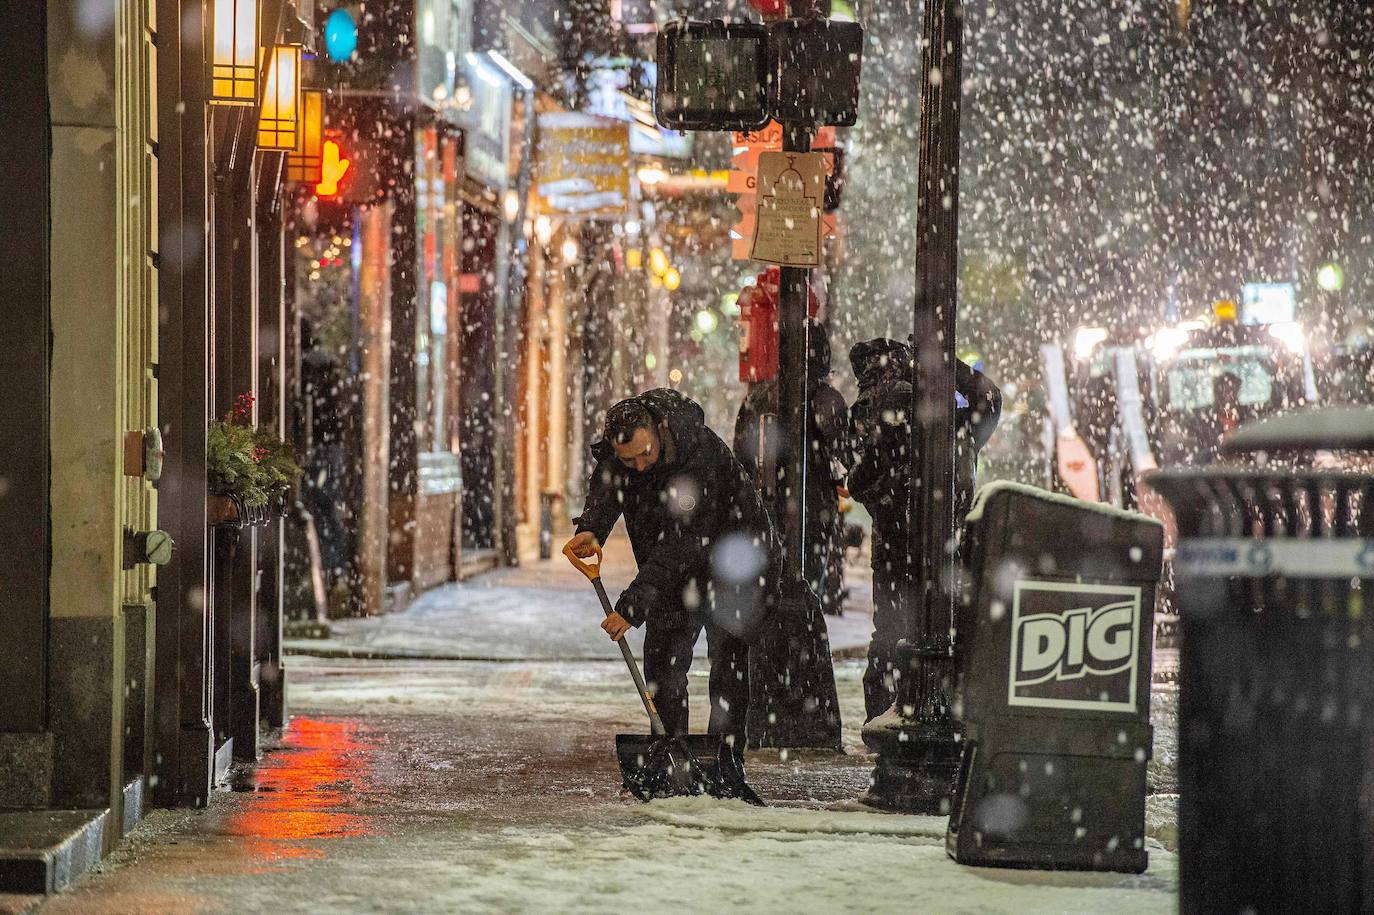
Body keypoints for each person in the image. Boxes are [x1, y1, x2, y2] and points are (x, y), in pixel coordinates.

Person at [566, 389, 779, 753]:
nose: (640, 466)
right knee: (663, 657)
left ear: (656, 431)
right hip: (680, 561)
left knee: (728, 663)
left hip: (734, 561)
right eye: (629, 460)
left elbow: (681, 544)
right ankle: (669, 752)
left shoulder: (698, 455)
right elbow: (609, 484)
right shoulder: (625, 456)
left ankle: (724, 757)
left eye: (645, 455)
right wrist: (591, 527)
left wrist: (631, 608)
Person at [848, 340, 1002, 721]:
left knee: (891, 632)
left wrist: (888, 503)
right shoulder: (945, 420)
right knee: (938, 629)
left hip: (902, 543)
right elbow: (990, 400)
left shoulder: (866, 416)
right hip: (940, 542)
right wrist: (951, 368)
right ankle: (931, 710)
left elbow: (857, 481)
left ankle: (886, 716)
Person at [733, 321, 849, 614]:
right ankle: (798, 648)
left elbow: (740, 460)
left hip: (763, 512)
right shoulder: (825, 399)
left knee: (766, 594)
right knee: (805, 591)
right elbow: (846, 453)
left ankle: (767, 652)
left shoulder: (757, 397)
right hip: (812, 511)